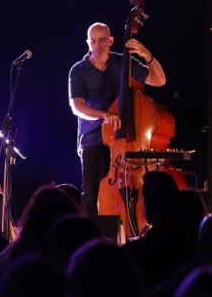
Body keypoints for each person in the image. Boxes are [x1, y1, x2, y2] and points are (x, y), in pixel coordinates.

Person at [68, 22, 166, 217]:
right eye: (93, 41)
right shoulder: (78, 70)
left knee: (133, 191)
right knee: (92, 197)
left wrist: (147, 55)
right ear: (88, 43)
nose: (97, 46)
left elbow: (159, 80)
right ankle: (93, 234)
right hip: (93, 139)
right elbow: (77, 106)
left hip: (123, 141)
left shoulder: (123, 62)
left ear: (111, 41)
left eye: (102, 40)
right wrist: (104, 115)